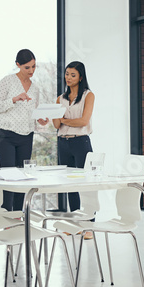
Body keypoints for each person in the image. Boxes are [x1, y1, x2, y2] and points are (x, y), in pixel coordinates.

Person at [0, 49, 49, 211]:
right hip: (6, 135)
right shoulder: (7, 81)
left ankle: (18, 216)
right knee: (9, 178)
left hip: (26, 135)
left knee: (22, 179)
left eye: (33, 67)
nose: (31, 71)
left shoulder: (35, 88)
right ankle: (6, 216)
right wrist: (14, 99)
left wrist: (41, 119)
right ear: (18, 65)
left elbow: (33, 111)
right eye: (27, 67)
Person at [53, 61, 95, 237]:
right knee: (71, 184)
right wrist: (59, 119)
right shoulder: (60, 98)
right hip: (63, 143)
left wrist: (64, 120)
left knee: (85, 184)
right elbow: (56, 124)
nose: (68, 78)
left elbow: (83, 121)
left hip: (81, 142)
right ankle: (76, 225)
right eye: (67, 74)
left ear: (80, 77)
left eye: (72, 75)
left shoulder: (88, 96)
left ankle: (89, 226)